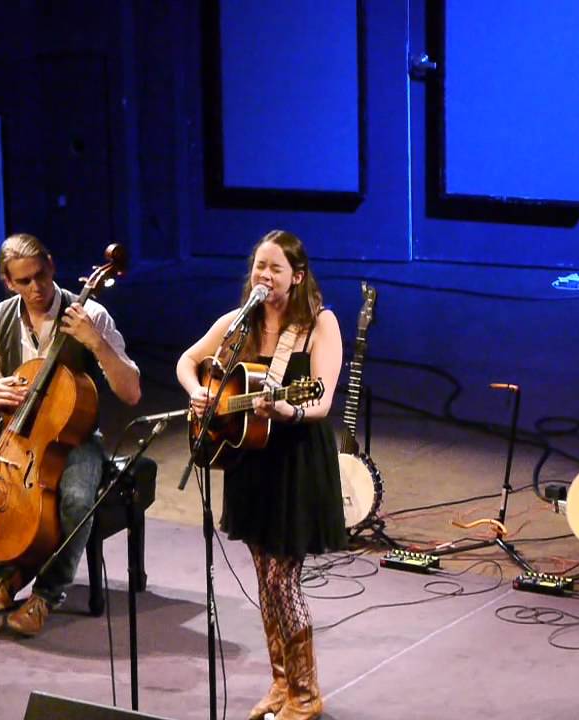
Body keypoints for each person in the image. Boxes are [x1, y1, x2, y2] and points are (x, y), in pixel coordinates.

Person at [0, 233, 140, 636]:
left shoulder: (91, 315)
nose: (36, 288)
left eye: (41, 275)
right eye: (24, 281)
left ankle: (47, 596)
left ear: (52, 265)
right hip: (11, 431)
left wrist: (95, 342)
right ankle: (6, 574)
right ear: (8, 282)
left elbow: (131, 392)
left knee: (76, 500)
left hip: (73, 438)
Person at [176, 229, 346, 720]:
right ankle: (281, 685)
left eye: (274, 269)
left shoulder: (319, 324)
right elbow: (188, 361)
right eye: (259, 267)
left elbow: (321, 399)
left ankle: (307, 695)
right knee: (261, 575)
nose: (264, 276)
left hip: (295, 461)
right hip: (250, 459)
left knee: (281, 578)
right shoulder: (239, 324)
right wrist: (198, 393)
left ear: (296, 276)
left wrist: (286, 410)